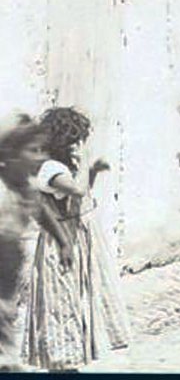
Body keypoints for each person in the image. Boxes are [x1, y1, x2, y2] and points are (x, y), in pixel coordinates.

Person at [23, 106, 130, 371]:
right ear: (63, 140)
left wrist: (90, 172)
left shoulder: (60, 167)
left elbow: (79, 195)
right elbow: (78, 190)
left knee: (75, 303)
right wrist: (87, 163)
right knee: (61, 306)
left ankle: (68, 365)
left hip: (74, 239)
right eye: (75, 139)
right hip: (60, 244)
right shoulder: (50, 169)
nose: (78, 145)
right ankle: (62, 366)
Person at [0, 116, 64, 370]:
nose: (41, 157)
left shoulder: (27, 186)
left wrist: (63, 241)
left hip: (9, 265)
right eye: (32, 150)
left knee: (7, 314)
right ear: (11, 155)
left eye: (42, 150)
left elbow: (42, 212)